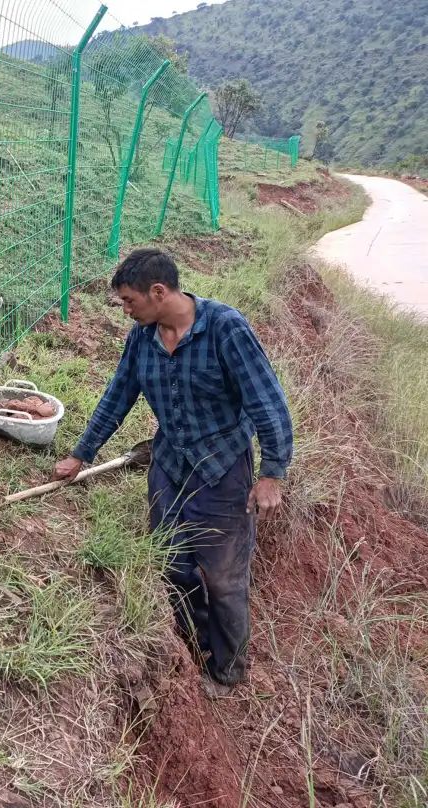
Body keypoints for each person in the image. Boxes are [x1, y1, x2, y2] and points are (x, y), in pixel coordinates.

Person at [53, 248, 293, 688]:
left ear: (158, 292)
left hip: (223, 469)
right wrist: (80, 453)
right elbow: (117, 395)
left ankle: (227, 671)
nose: (125, 311)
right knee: (172, 564)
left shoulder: (226, 329)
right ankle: (193, 644)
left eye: (129, 301)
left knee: (223, 578)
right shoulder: (142, 338)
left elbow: (267, 402)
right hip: (169, 464)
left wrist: (271, 474)